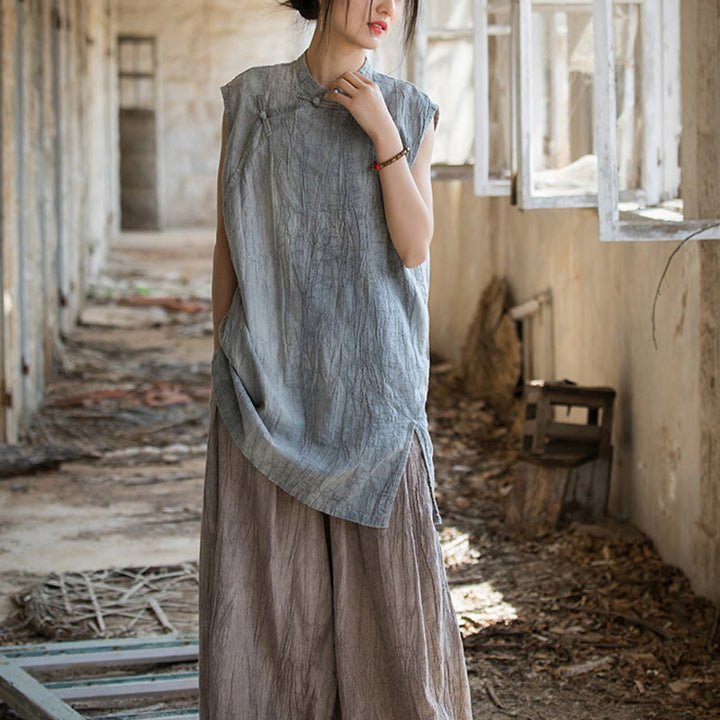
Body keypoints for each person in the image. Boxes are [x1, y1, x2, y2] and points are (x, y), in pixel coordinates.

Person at [198, 0, 474, 717]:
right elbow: (230, 234)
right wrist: (226, 347)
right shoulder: (254, 99)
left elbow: (415, 246)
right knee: (268, 611)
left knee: (392, 626)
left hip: (375, 399)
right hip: (267, 389)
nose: (387, 7)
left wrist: (382, 130)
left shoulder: (411, 109)